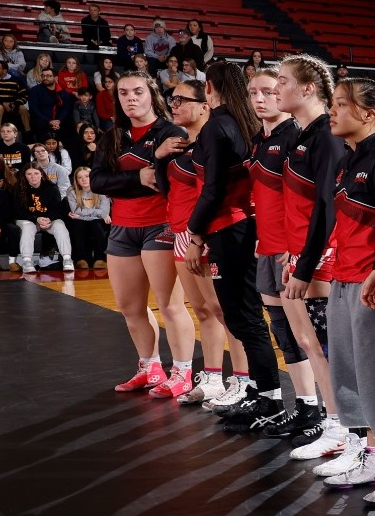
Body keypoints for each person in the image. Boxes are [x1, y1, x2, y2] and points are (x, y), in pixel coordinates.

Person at [287, 78, 375, 501]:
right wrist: (307, 268)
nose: (332, 111)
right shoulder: (348, 161)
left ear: (369, 114)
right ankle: (374, 458)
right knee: (357, 377)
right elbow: (325, 222)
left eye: (342, 104)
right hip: (346, 281)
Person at [90, 69, 197, 394]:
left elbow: (166, 181)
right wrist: (138, 178)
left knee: (169, 305)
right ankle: (149, 366)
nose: (131, 98)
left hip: (161, 225)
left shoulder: (171, 131)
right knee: (130, 308)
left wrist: (135, 176)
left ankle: (182, 373)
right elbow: (97, 182)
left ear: (151, 94)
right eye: (124, 93)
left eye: (137, 91)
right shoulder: (113, 136)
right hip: (122, 228)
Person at [272, 56, 349, 456]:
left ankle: (344, 430)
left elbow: (327, 206)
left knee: (324, 345)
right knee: (308, 341)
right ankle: (333, 423)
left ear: (308, 89)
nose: (276, 89)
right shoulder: (302, 134)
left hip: (323, 255)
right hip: (302, 252)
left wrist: (307, 259)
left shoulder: (326, 136)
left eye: (283, 81)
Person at [153, 78, 244, 403]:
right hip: (180, 232)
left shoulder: (212, 144)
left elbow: (215, 193)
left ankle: (242, 381)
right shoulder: (180, 144)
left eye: (181, 99)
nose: (173, 105)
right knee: (204, 312)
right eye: (172, 99)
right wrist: (159, 157)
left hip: (203, 234)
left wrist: (199, 236)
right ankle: (215, 378)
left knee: (225, 311)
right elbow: (166, 190)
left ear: (206, 104)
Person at [244, 65, 322, 439]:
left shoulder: (295, 136)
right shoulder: (260, 140)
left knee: (308, 336)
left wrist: (295, 248)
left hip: (291, 248)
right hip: (267, 246)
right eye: (254, 92)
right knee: (284, 333)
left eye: (270, 90)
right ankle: (305, 405)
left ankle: (320, 412)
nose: (262, 98)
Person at [12, 164, 73, 273]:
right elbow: (18, 212)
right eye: (29, 174)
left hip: (48, 220)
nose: (33, 176)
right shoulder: (18, 189)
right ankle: (27, 261)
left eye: (36, 173)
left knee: (60, 226)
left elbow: (58, 209)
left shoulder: (52, 188)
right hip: (29, 219)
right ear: (24, 176)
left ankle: (67, 259)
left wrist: (49, 218)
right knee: (28, 228)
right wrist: (36, 219)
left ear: (41, 174)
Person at [68, 166, 109, 268]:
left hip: (98, 221)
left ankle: (100, 259)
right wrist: (95, 213)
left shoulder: (102, 190)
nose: (84, 179)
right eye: (80, 177)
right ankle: (82, 259)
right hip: (82, 221)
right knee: (78, 225)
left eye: (87, 176)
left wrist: (82, 215)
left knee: (96, 225)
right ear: (76, 180)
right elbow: (76, 210)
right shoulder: (71, 191)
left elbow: (104, 212)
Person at [0, 60, 29, 134]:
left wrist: (15, 104)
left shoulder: (16, 80)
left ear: (4, 70)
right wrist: (3, 103)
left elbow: (24, 95)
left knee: (23, 109)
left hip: (14, 104)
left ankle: (28, 132)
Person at [28, 67, 73, 138]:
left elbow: (66, 108)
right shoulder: (34, 91)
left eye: (48, 76)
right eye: (43, 76)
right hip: (43, 120)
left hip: (59, 120)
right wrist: (49, 121)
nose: (45, 78)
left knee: (70, 124)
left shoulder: (63, 91)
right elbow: (34, 109)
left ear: (55, 78)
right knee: (39, 124)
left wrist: (59, 121)